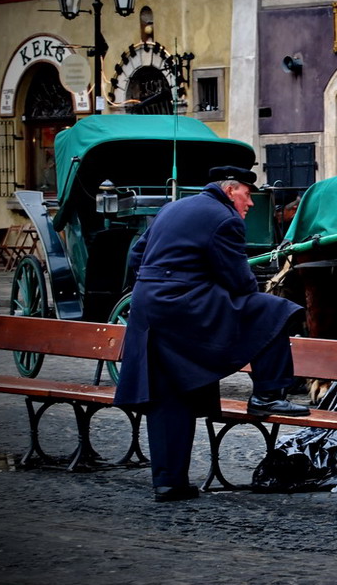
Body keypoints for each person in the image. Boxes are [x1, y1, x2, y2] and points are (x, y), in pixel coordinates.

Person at [114, 165, 309, 503]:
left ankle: (169, 483)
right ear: (231, 190)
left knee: (169, 395)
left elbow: (136, 255)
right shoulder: (225, 218)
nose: (250, 204)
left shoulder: (173, 207)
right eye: (248, 195)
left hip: (149, 307)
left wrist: (156, 286)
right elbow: (239, 282)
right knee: (273, 310)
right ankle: (267, 393)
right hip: (184, 307)